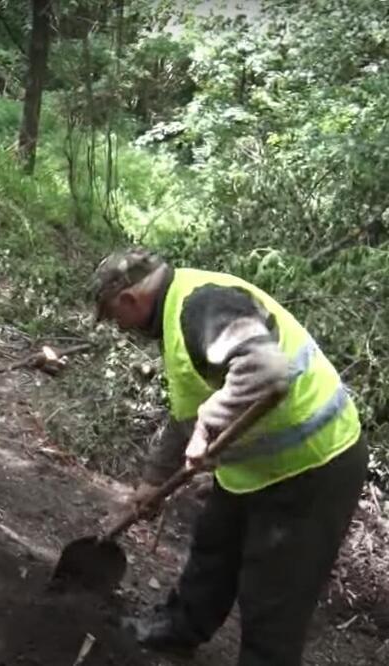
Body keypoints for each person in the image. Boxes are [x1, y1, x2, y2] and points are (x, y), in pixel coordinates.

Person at [90, 248, 367, 666]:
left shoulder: (203, 305)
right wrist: (153, 481)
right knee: (214, 548)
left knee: (275, 594)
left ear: (129, 299)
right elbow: (186, 407)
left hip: (314, 465)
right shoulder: (177, 313)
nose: (119, 326)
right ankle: (178, 630)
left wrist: (208, 426)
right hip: (256, 469)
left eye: (114, 316)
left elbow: (268, 370)